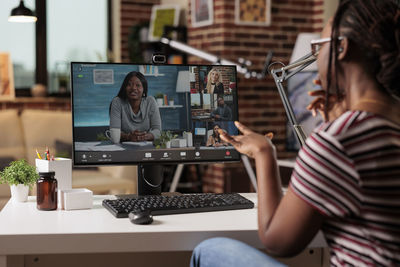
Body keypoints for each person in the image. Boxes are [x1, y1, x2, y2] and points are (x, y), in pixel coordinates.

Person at [191, 1, 400, 266]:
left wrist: (264, 152)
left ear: (341, 48)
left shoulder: (339, 139)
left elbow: (277, 241)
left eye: (319, 45)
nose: (316, 56)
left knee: (209, 250)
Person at [109, 71, 161, 142]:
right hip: (123, 148)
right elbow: (115, 133)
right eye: (129, 84)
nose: (133, 88)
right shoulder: (117, 102)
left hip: (146, 146)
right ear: (125, 87)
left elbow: (158, 131)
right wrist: (128, 137)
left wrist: (145, 137)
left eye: (138, 85)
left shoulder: (150, 101)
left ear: (144, 89)